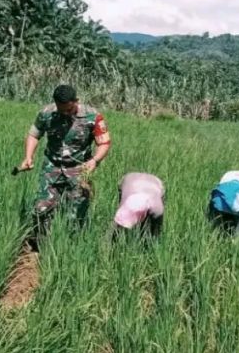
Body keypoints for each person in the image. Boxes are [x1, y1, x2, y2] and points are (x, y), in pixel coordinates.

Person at [17, 84, 111, 248]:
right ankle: (42, 246)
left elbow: (104, 143)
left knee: (76, 213)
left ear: (76, 101)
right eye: (62, 111)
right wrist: (28, 157)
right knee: (41, 208)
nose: (65, 114)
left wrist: (95, 160)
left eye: (69, 110)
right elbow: (34, 135)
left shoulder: (92, 116)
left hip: (80, 168)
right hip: (52, 166)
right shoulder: (47, 113)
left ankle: (70, 247)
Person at [112, 172, 165, 240]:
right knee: (154, 237)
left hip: (132, 202)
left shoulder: (126, 179)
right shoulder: (158, 181)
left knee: (118, 231)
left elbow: (117, 228)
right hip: (156, 203)